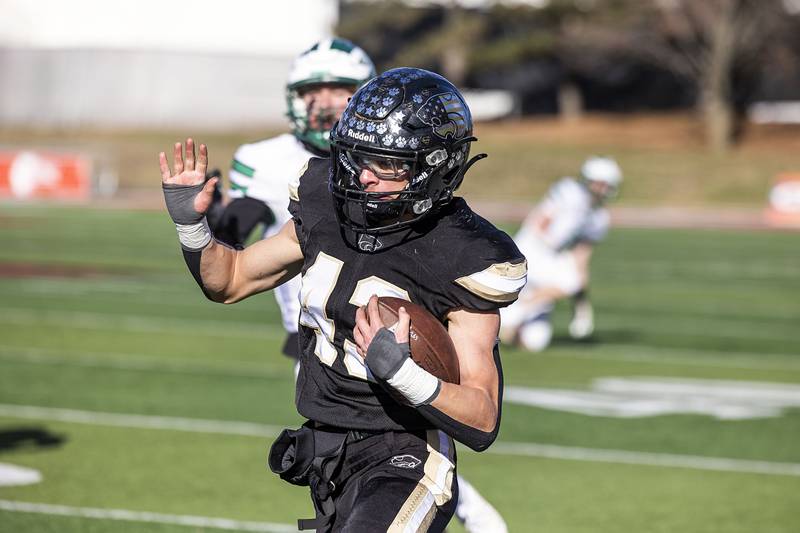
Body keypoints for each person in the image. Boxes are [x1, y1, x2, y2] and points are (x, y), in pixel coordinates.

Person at [160, 68, 526, 532]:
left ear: (435, 165)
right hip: (329, 455)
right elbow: (230, 281)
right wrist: (191, 226)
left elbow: (482, 416)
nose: (365, 178)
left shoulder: (465, 252)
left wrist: (402, 372)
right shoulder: (325, 203)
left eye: (388, 164)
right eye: (358, 159)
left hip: (407, 458)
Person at [499, 156, 623, 352]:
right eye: (601, 184)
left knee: (535, 342)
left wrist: (582, 308)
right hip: (531, 247)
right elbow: (539, 222)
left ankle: (521, 309)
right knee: (569, 280)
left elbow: (581, 261)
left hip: (549, 257)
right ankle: (515, 313)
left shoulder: (599, 218)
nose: (604, 189)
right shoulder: (568, 192)